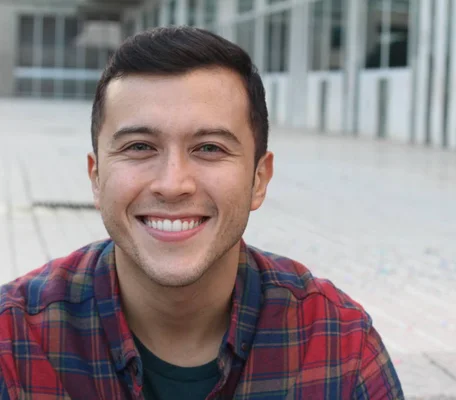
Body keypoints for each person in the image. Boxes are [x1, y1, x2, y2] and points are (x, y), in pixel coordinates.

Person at [0, 27, 403, 399]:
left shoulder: (338, 345)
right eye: (140, 147)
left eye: (209, 148)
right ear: (96, 177)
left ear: (259, 179)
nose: (173, 184)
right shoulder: (14, 340)